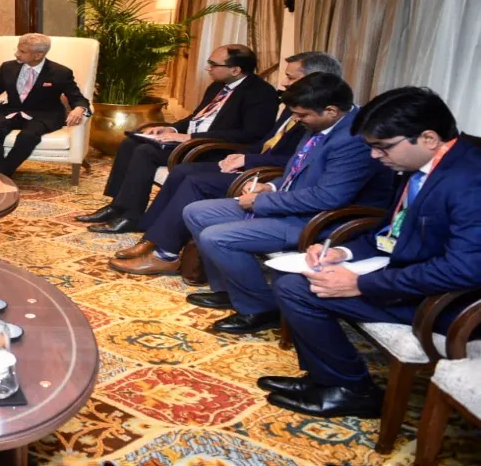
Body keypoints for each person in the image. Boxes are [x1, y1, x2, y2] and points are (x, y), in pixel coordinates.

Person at [267, 88, 481, 418]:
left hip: (451, 302)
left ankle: (352, 389)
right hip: (413, 275)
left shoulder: (470, 180)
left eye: (382, 147)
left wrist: (362, 285)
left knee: (299, 290)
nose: (375, 157)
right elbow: (389, 232)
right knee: (299, 276)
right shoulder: (419, 165)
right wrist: (341, 252)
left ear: (427, 137)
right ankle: (325, 378)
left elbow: (465, 268)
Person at [181, 72, 394, 335]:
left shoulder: (354, 140)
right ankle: (232, 290)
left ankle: (260, 308)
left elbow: (329, 197)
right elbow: (299, 168)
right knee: (196, 212)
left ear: (331, 110)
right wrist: (269, 185)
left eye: (302, 115)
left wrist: (263, 201)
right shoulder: (321, 125)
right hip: (290, 205)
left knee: (217, 237)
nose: (296, 120)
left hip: (321, 221)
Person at [110, 51, 342, 275]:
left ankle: (165, 254)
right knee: (181, 171)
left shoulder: (315, 116)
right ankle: (151, 238)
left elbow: (290, 160)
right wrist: (241, 157)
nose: (283, 83)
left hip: (267, 173)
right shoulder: (300, 108)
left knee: (195, 181)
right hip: (255, 162)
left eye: (291, 77)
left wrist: (248, 159)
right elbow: (267, 142)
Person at [77, 44, 279, 234]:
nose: (207, 68)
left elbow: (251, 134)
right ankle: (117, 206)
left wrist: (190, 137)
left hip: (215, 149)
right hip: (192, 141)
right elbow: (196, 117)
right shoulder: (218, 86)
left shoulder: (261, 93)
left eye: (213, 64)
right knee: (131, 142)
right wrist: (170, 127)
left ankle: (132, 216)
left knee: (145, 152)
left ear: (235, 70)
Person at [0, 33, 91, 177]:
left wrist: (79, 108)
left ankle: (0, 174)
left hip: (44, 115)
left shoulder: (60, 72)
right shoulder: (8, 68)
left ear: (38, 55)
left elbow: (77, 98)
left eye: (22, 51)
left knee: (28, 136)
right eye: (17, 49)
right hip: (12, 111)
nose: (16, 54)